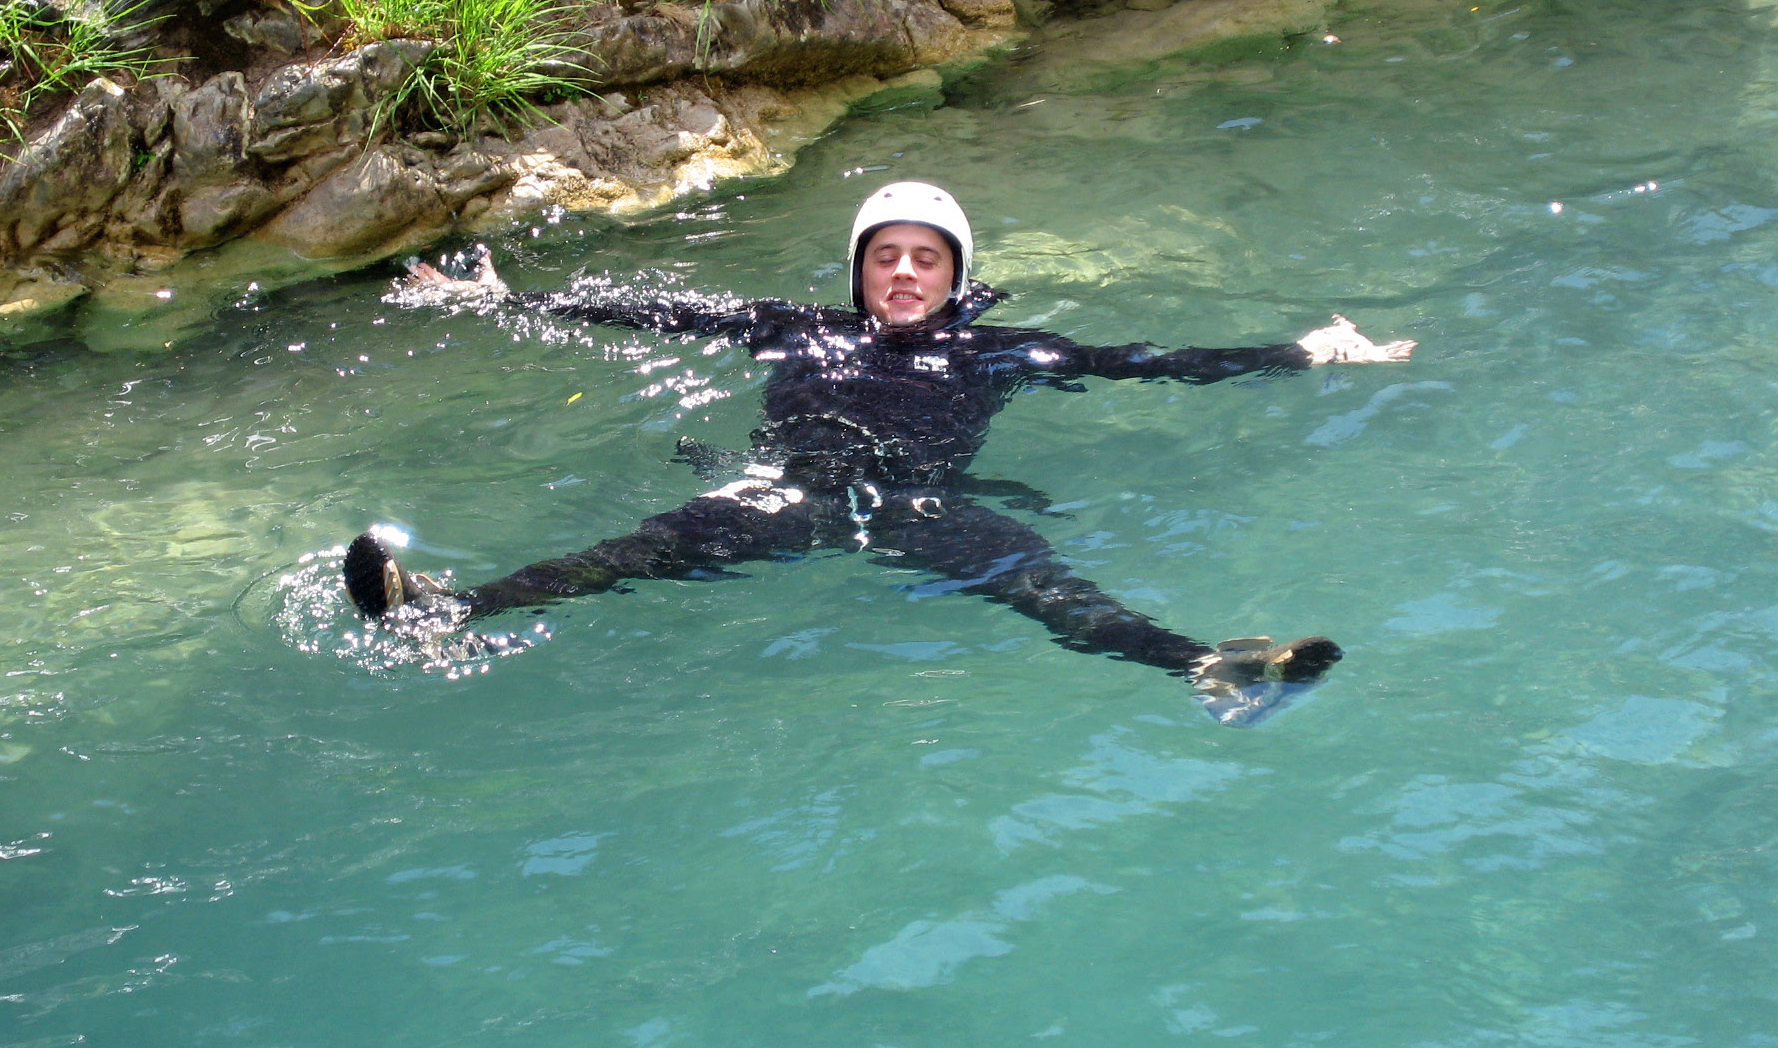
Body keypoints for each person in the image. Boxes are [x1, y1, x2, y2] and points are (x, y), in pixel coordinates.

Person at [343, 182, 1416, 725]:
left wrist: (1310, 351)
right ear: (858, 269)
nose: (903, 273)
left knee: (1042, 586)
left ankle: (1209, 664)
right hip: (784, 494)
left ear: (955, 275)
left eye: (925, 259)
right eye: (885, 257)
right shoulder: (790, 326)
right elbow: (653, 312)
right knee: (639, 547)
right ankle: (442, 611)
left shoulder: (1004, 352)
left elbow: (1155, 361)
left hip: (913, 508)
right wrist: (501, 298)